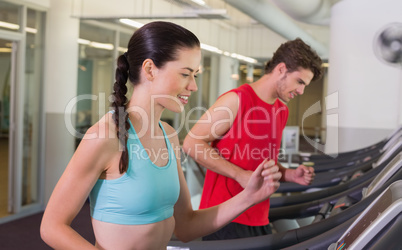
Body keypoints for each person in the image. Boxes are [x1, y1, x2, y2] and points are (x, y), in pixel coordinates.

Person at [40, 21, 282, 249]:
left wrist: (250, 196)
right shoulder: (105, 136)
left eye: (195, 75)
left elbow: (186, 226)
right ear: (150, 70)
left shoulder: (168, 135)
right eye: (185, 74)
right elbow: (52, 227)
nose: (193, 86)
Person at [182, 38, 323, 240]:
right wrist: (240, 175)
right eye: (300, 82)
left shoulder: (281, 110)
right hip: (224, 217)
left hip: (258, 215)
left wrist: (290, 174)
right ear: (282, 69)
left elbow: (263, 163)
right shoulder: (236, 100)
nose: (301, 91)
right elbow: (191, 143)